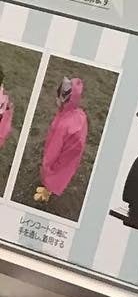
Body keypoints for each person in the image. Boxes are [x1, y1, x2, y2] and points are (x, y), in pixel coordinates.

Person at [34, 77, 88, 207]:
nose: (56, 99)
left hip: (61, 157)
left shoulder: (63, 125)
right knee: (62, 174)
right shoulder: (78, 114)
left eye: (58, 97)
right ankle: (49, 188)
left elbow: (54, 150)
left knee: (53, 174)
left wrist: (47, 164)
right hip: (71, 155)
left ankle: (46, 193)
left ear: (64, 99)